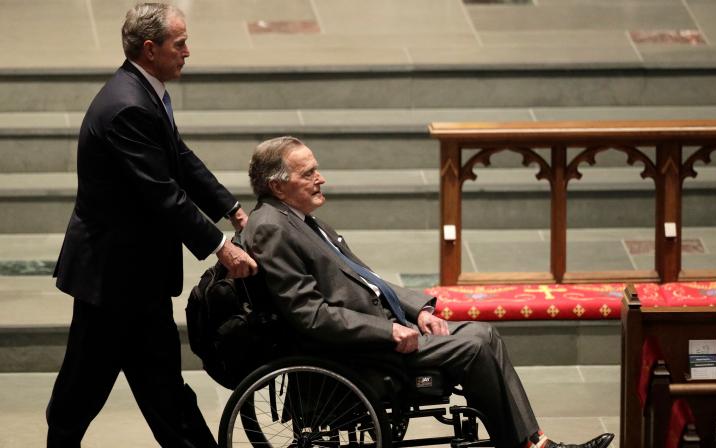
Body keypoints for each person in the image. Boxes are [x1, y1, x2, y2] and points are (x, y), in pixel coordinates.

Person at [241, 136, 614, 448]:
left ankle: (532, 442)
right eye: (309, 173)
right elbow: (311, 315)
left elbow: (369, 280)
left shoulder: (300, 219)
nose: (321, 178)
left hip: (379, 330)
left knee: (484, 333)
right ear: (277, 185)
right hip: (356, 350)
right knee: (472, 346)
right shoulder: (272, 228)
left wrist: (418, 310)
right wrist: (388, 330)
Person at [47, 3, 258, 447]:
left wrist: (232, 208)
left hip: (137, 278)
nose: (187, 52)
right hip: (110, 280)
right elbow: (163, 195)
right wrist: (222, 246)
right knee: (81, 394)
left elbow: (180, 158)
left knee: (161, 388)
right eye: (179, 44)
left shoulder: (144, 92)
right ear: (150, 48)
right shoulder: (126, 107)